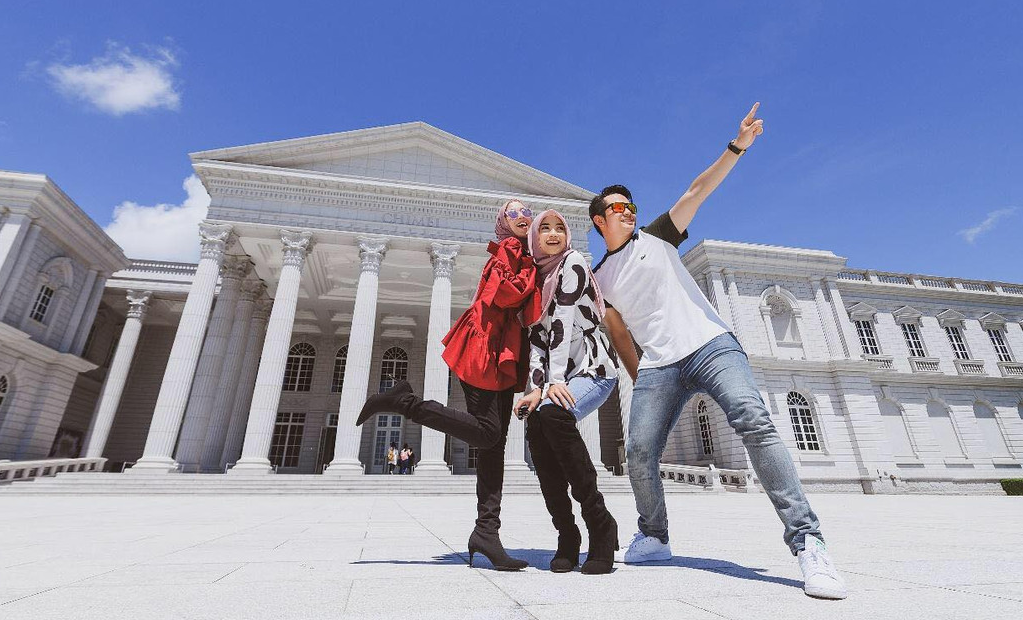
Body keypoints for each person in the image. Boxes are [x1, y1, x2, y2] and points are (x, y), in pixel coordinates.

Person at [591, 103, 847, 600]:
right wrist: (641, 373)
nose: (629, 212)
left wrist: (737, 147)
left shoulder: (658, 236)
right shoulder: (600, 279)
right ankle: (655, 536)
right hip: (659, 366)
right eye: (619, 208)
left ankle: (808, 543)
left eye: (631, 206)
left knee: (753, 418)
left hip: (710, 345)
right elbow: (619, 333)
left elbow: (697, 189)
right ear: (601, 221)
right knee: (640, 450)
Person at [355, 199, 541, 570]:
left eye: (527, 213)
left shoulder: (523, 254)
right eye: (514, 214)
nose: (523, 218)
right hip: (483, 349)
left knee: (494, 446)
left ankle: (486, 533)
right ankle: (404, 402)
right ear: (503, 223)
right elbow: (504, 294)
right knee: (489, 435)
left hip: (503, 353)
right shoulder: (508, 251)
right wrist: (537, 273)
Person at [513, 210, 620, 575]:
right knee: (537, 425)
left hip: (593, 369)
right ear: (534, 239)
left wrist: (553, 384)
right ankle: (567, 535)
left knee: (553, 414)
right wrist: (535, 390)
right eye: (545, 228)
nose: (555, 234)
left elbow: (562, 322)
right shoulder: (536, 278)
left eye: (561, 228)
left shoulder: (572, 263)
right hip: (559, 375)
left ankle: (600, 525)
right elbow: (537, 343)